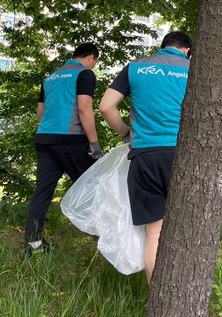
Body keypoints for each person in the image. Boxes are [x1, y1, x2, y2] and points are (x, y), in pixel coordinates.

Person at [99, 31, 191, 282]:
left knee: (155, 232)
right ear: (187, 51)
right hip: (185, 156)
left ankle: (157, 298)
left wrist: (126, 133)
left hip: (145, 155)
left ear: (162, 47)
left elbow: (106, 107)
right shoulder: (194, 70)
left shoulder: (135, 68)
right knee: (188, 227)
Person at [24, 43, 101, 255]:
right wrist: (94, 143)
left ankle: (33, 245)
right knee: (92, 188)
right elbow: (85, 108)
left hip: (45, 139)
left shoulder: (50, 77)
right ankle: (104, 243)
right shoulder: (84, 74)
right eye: (95, 62)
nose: (94, 66)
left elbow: (41, 113)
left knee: (42, 193)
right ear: (91, 58)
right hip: (71, 140)